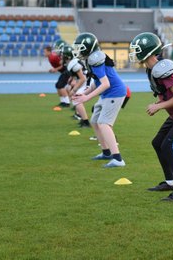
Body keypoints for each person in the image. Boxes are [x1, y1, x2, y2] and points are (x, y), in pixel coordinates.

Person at [129, 32, 173, 202]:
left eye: (137, 49)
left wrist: (158, 106)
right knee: (157, 143)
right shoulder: (152, 70)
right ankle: (170, 182)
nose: (134, 52)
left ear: (147, 50)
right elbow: (166, 94)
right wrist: (160, 102)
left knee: (168, 146)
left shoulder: (162, 69)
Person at [72, 32, 128, 168]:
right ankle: (106, 152)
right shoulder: (92, 58)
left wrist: (87, 97)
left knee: (104, 123)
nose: (78, 50)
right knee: (95, 121)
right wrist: (85, 92)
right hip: (108, 94)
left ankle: (118, 159)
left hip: (114, 93)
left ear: (88, 47)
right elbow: (97, 81)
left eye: (80, 47)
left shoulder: (95, 58)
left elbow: (106, 83)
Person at [61, 44, 92, 128]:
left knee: (76, 98)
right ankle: (81, 117)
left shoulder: (74, 63)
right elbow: (77, 75)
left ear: (67, 56)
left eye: (63, 55)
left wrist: (74, 90)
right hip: (86, 79)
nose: (61, 57)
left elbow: (82, 78)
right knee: (72, 93)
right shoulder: (72, 62)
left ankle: (85, 121)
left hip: (88, 81)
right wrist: (71, 79)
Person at [43, 42, 70, 108]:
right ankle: (63, 102)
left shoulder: (53, 57)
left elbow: (63, 65)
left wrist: (55, 69)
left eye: (45, 52)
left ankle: (67, 102)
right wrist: (55, 69)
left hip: (67, 71)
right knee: (58, 85)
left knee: (60, 85)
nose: (44, 53)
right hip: (64, 72)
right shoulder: (50, 57)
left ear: (49, 52)